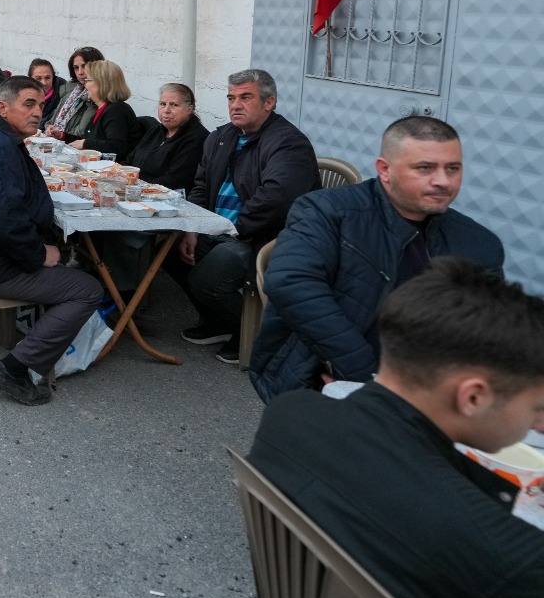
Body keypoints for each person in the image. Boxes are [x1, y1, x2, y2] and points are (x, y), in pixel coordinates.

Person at [247, 260, 544, 598]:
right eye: (537, 407)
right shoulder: (514, 558)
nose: (539, 425)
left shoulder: (289, 415)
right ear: (473, 397)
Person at [250, 116, 505, 402]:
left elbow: (487, 327)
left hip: (430, 394)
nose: (443, 181)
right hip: (319, 378)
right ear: (385, 169)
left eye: (453, 168)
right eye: (425, 168)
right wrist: (366, 374)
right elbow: (290, 283)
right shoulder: (327, 211)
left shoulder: (479, 243)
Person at [0, 77, 106, 405]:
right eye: (28, 104)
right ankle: (17, 367)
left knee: (70, 260)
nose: (37, 112)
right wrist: (36, 255)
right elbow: (5, 225)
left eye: (41, 105)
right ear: (2, 108)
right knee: (88, 290)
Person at [171, 69, 320, 364]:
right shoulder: (221, 137)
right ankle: (219, 321)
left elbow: (275, 202)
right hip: (220, 227)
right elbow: (200, 187)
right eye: (231, 98)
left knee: (211, 274)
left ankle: (248, 333)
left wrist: (230, 229)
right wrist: (193, 225)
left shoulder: (288, 143)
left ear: (269, 102)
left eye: (246, 97)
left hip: (267, 236)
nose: (235, 105)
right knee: (168, 248)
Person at [126, 83, 209, 191]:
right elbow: (129, 161)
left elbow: (171, 182)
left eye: (174, 105)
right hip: (135, 189)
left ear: (189, 109)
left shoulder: (196, 139)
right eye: (162, 104)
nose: (166, 110)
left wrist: (132, 179)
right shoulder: (156, 131)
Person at [69, 59, 141, 157]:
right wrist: (63, 136)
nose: (85, 84)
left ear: (101, 84)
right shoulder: (103, 109)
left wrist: (85, 143)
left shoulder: (116, 111)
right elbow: (91, 140)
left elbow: (116, 147)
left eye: (88, 80)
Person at [45, 46, 103, 141]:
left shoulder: (96, 96)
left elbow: (81, 133)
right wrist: (49, 129)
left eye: (84, 66)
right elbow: (51, 122)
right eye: (76, 68)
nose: (80, 72)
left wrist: (59, 135)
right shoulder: (70, 91)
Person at [28, 59, 66, 126]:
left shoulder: (63, 98)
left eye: (47, 78)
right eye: (38, 79)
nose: (44, 83)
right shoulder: (23, 97)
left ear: (53, 78)